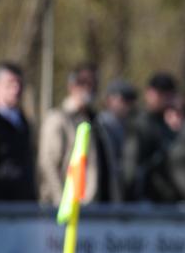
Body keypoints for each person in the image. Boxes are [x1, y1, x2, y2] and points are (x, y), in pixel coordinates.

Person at [38, 64, 122, 205]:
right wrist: (61, 202)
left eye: (93, 83)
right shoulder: (58, 119)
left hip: (97, 207)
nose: (88, 88)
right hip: (68, 209)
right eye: (82, 82)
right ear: (71, 85)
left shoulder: (97, 121)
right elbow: (48, 165)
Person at [123, 72, 179, 201]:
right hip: (145, 199)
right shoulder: (139, 125)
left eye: (168, 95)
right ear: (148, 93)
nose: (164, 99)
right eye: (160, 94)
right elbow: (130, 168)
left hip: (164, 199)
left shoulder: (167, 125)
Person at [0, 62, 36, 201]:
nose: (16, 89)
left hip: (23, 203)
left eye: (19, 84)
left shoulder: (23, 122)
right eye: (10, 84)